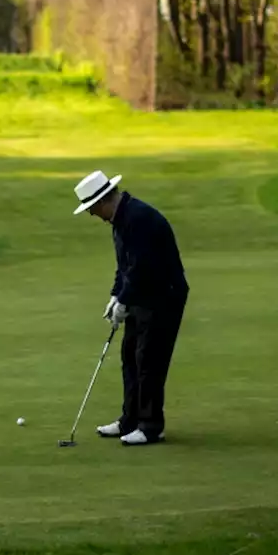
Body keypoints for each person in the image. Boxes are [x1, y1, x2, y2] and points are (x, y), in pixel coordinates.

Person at [73, 170, 189, 446]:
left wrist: (124, 299)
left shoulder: (138, 219)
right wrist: (116, 295)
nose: (92, 215)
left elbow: (142, 269)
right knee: (130, 356)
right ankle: (130, 420)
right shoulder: (121, 220)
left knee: (148, 360)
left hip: (163, 296)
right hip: (143, 295)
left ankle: (150, 427)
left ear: (103, 201)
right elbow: (124, 267)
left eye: (91, 209)